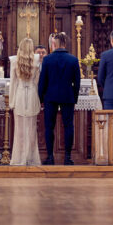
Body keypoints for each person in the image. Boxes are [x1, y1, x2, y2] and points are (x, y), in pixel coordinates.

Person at [37, 31, 80, 165]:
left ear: (54, 44)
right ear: (65, 43)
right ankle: (67, 157)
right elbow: (77, 82)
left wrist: (40, 98)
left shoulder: (48, 59)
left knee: (49, 127)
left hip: (51, 96)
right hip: (67, 96)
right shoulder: (73, 59)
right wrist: (74, 98)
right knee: (68, 126)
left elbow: (42, 81)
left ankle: (50, 157)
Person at [9, 37, 41, 166]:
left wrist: (11, 102)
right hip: (32, 93)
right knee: (32, 128)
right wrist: (39, 99)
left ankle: (19, 158)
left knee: (20, 130)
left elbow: (13, 83)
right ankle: (31, 158)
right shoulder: (37, 59)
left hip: (20, 94)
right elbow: (37, 81)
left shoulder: (14, 60)